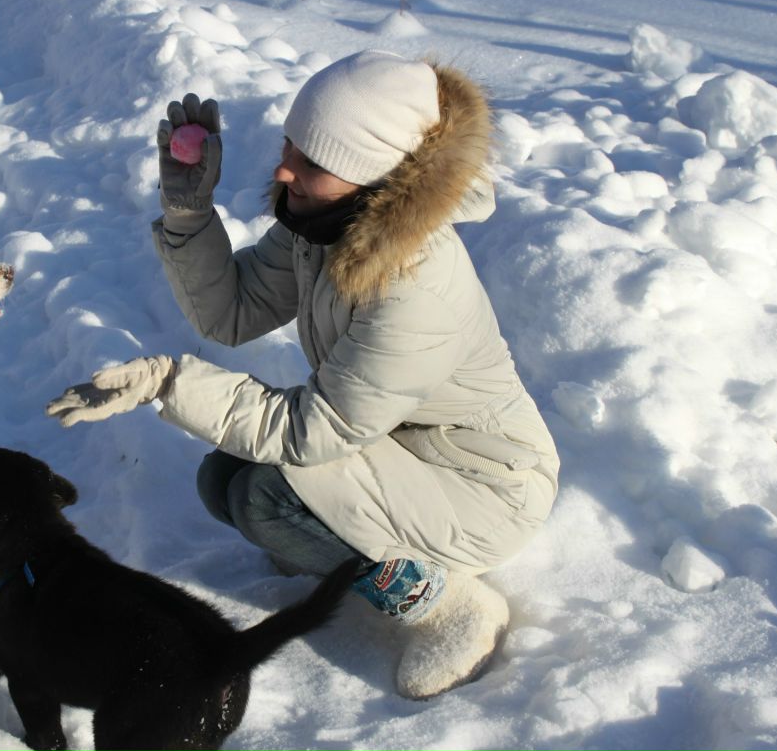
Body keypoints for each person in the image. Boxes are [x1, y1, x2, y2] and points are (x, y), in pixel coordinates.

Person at [46, 50, 560, 700]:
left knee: (270, 497)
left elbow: (312, 432)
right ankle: (342, 534)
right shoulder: (325, 226)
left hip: (483, 484)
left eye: (313, 163)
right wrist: (188, 213)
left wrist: (166, 382)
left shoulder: (416, 289)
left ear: (377, 177)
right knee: (224, 479)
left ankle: (452, 605)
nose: (284, 168)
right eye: (291, 145)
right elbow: (230, 313)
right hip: (405, 448)